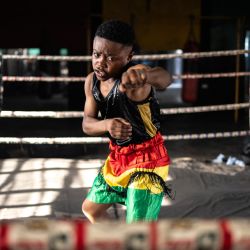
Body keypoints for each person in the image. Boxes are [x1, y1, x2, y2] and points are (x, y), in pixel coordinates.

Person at [81, 20, 173, 224]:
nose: (100, 62)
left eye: (111, 57)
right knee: (91, 209)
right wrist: (106, 124)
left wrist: (146, 74)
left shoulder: (133, 80)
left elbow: (165, 78)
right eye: (96, 54)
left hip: (147, 162)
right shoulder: (91, 81)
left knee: (137, 230)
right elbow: (87, 123)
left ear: (129, 57)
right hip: (118, 158)